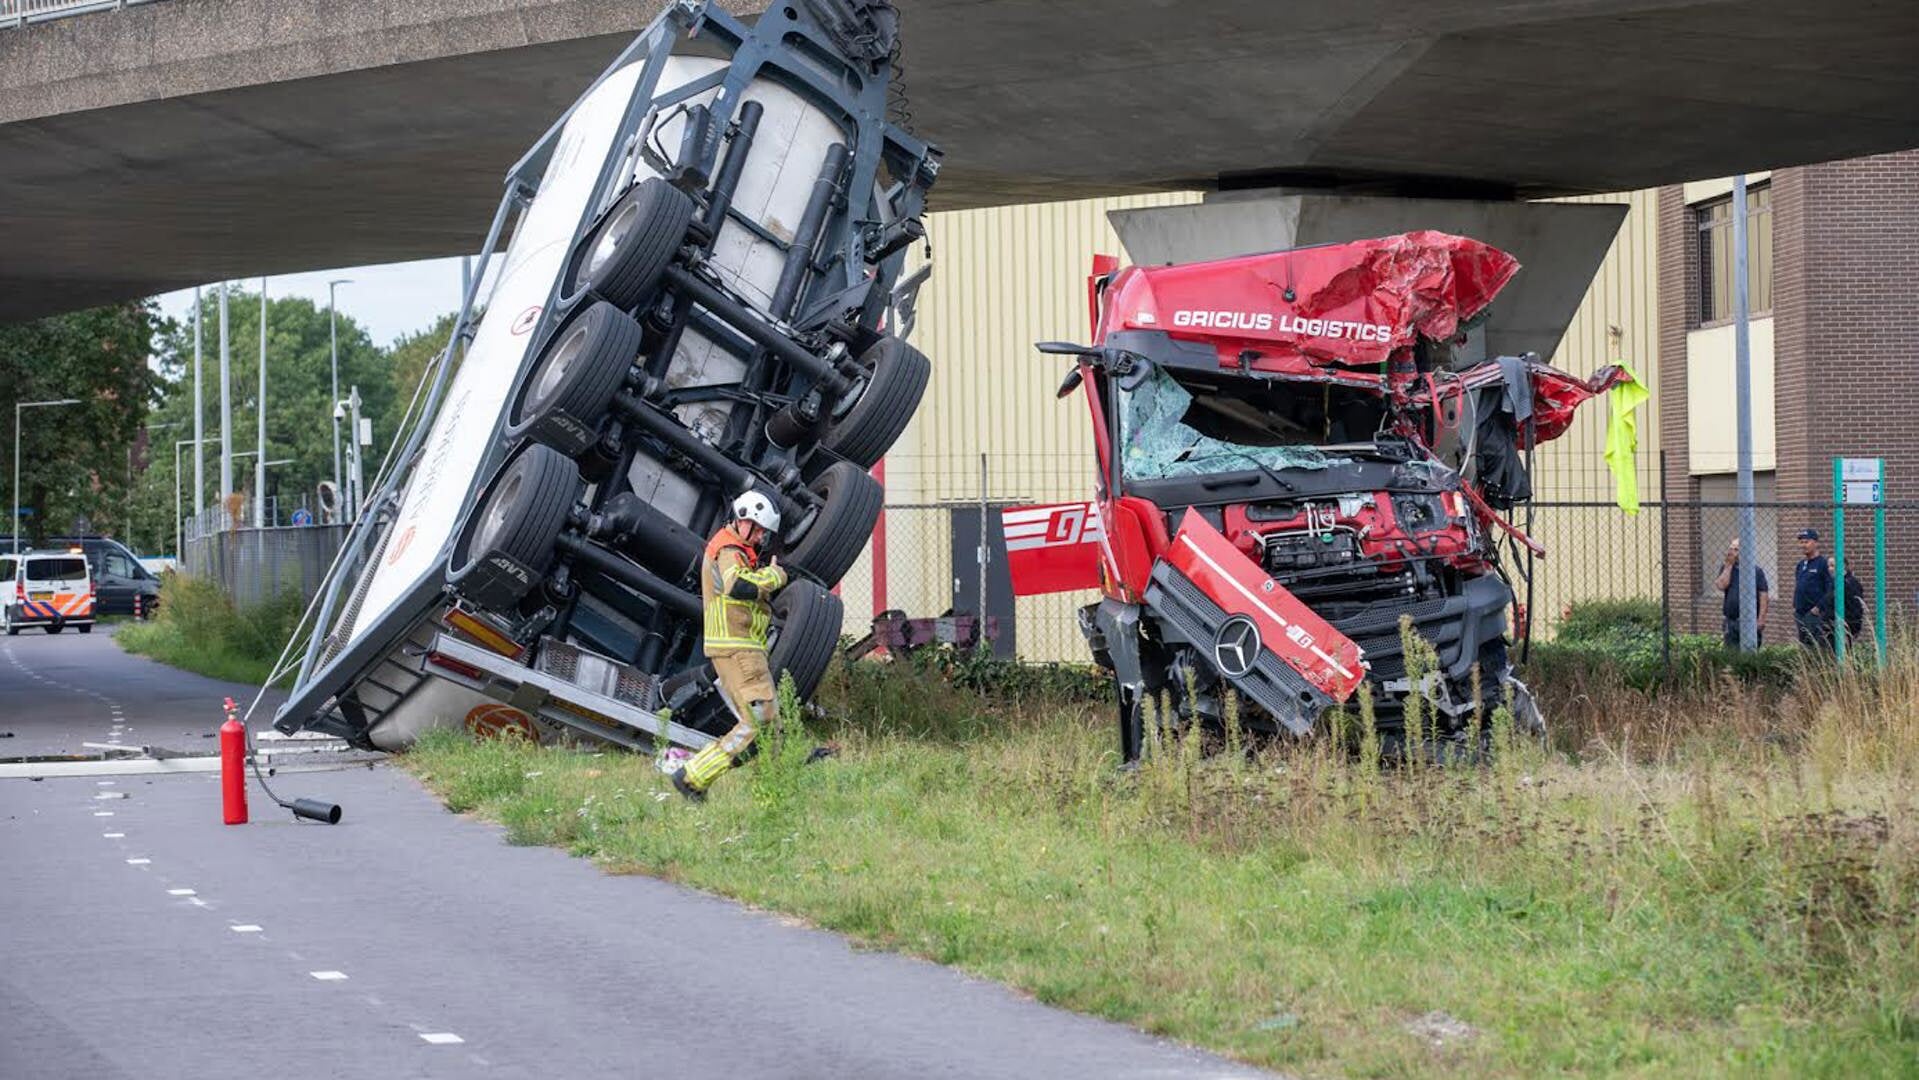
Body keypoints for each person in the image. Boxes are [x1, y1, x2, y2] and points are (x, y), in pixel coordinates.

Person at [672, 490, 789, 802]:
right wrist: (773, 577)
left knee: (771, 724)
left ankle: (775, 792)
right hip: (738, 647)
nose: (762, 536)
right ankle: (694, 776)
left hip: (741, 646)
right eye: (759, 528)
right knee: (759, 718)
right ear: (742, 521)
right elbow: (737, 586)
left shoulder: (736, 547)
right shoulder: (729, 550)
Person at [1714, 537, 1769, 647]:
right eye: (1730, 548)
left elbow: (1763, 595)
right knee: (1730, 653)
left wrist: (1761, 618)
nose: (1731, 552)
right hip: (1731, 620)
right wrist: (1729, 566)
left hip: (1750, 621)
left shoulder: (1756, 571)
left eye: (1736, 549)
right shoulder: (1726, 568)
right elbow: (1721, 585)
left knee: (1750, 651)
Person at [1791, 528, 1835, 650]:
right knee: (1804, 646)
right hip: (1801, 613)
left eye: (1807, 542)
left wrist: (1818, 608)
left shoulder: (1823, 564)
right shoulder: (1801, 565)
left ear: (1816, 543)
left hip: (1815, 614)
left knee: (1816, 646)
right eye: (1802, 542)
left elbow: (1830, 589)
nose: (1803, 545)